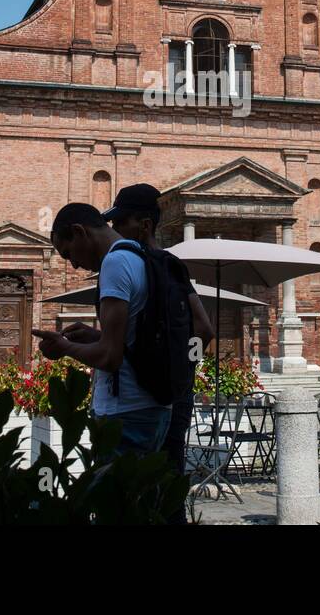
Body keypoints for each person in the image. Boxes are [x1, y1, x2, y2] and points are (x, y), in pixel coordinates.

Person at [103, 183, 214, 523]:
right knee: (169, 494)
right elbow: (205, 329)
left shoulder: (123, 262)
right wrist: (180, 369)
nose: (115, 229)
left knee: (128, 496)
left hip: (138, 402)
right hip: (175, 397)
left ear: (145, 224)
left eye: (121, 221)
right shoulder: (172, 266)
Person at [31, 202, 171, 457]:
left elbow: (110, 357)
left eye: (68, 252)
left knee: (113, 495)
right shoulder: (140, 255)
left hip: (125, 414)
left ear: (80, 231)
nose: (72, 264)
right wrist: (96, 336)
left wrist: (64, 347)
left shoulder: (115, 263)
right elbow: (133, 339)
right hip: (151, 408)